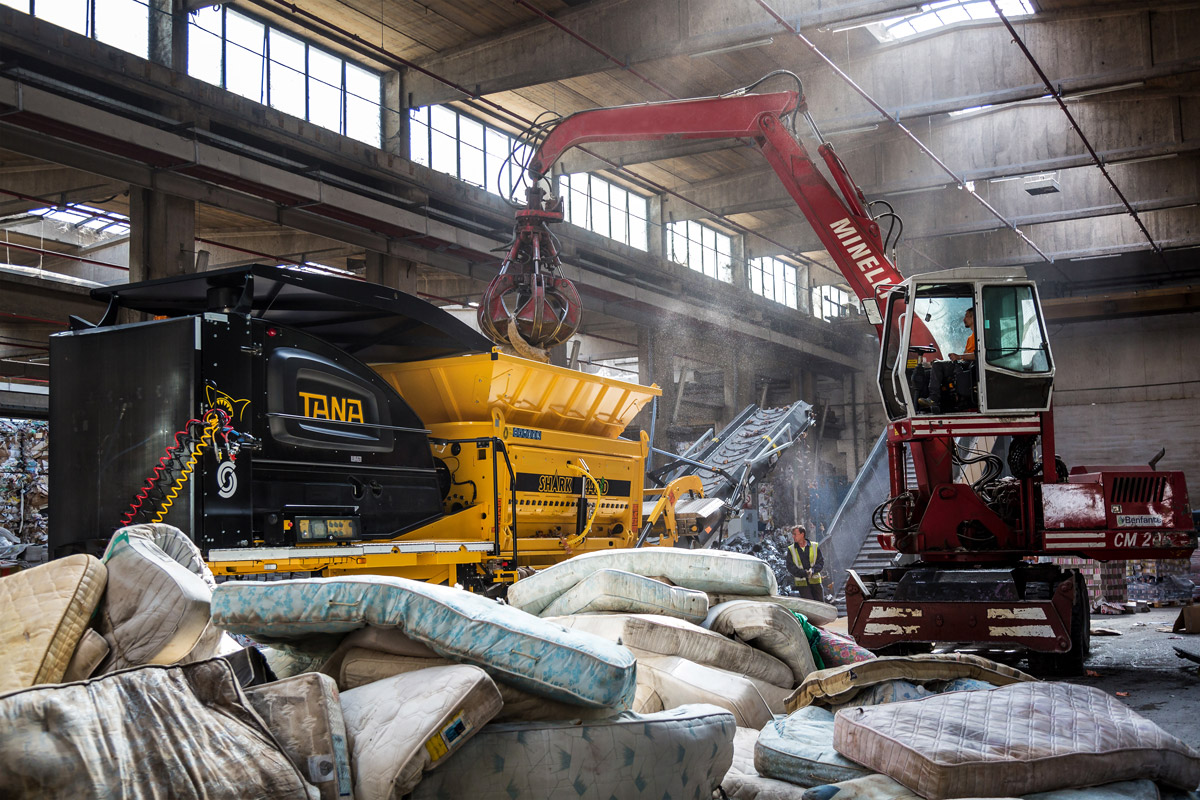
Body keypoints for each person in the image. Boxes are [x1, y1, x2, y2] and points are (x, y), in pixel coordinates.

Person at [917, 306, 976, 414]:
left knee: (938, 366)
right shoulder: (970, 338)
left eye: (967, 316)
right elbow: (966, 355)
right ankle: (924, 405)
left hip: (970, 366)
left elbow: (978, 356)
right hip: (964, 363)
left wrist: (958, 357)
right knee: (932, 368)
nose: (964, 319)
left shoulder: (979, 336)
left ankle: (934, 399)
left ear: (974, 318)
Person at [784, 525, 825, 601]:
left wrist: (812, 570)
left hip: (815, 582)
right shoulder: (791, 549)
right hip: (802, 583)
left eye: (795, 534)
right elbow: (790, 566)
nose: (793, 536)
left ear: (802, 534)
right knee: (809, 606)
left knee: (820, 605)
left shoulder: (814, 546)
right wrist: (803, 573)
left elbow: (821, 562)